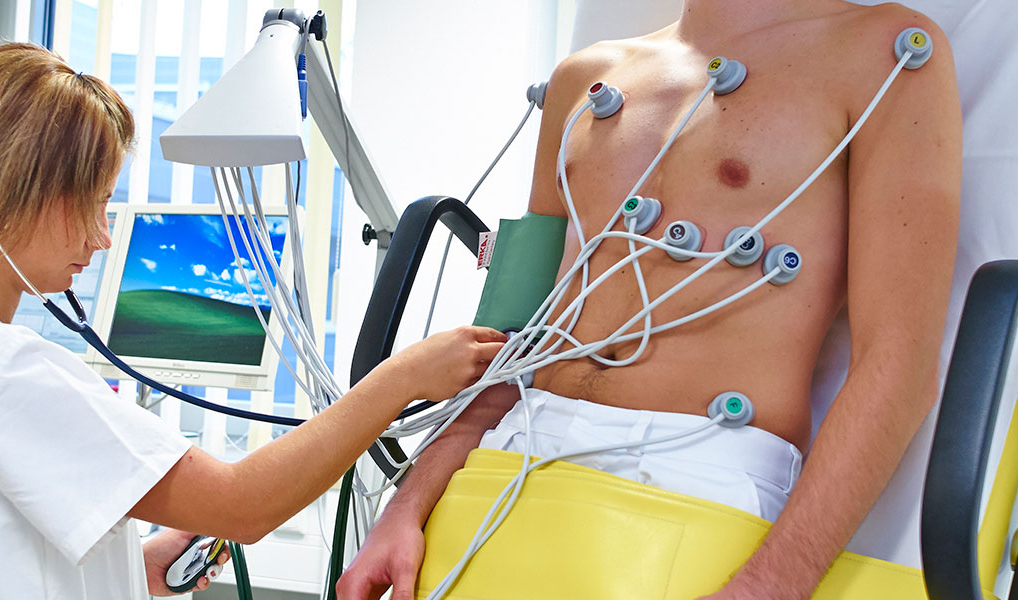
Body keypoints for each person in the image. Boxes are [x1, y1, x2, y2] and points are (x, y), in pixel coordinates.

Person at [339, 1, 961, 598]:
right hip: (511, 455)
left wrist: (772, 585)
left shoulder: (889, 57)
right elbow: (514, 340)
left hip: (698, 474)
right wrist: (405, 509)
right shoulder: (584, 79)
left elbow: (899, 365)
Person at [0, 42, 506, 599]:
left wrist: (132, 568)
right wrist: (403, 376)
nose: (102, 236)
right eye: (94, 203)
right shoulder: (0, 368)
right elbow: (241, 505)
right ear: (16, 190)